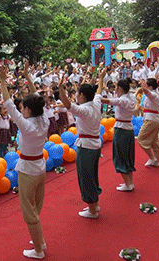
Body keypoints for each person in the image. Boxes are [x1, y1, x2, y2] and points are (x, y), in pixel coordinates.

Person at [0, 63, 48, 260]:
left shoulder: (27, 125)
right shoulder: (43, 120)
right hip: (40, 167)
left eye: (23, 108)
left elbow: (8, 104)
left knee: (29, 212)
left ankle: (39, 250)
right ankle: (40, 241)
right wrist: (27, 76)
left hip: (28, 170)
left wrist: (3, 81)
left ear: (27, 109)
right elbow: (38, 100)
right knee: (36, 207)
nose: (21, 110)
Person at [58, 67, 104, 218]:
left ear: (83, 95)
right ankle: (94, 205)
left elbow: (68, 105)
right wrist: (101, 77)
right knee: (92, 175)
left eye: (78, 94)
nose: (76, 96)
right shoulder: (96, 103)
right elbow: (99, 91)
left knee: (86, 177)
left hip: (86, 147)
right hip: (95, 144)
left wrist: (60, 89)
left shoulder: (84, 109)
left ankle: (92, 209)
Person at [102, 79, 136, 191]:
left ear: (120, 88)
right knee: (127, 155)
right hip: (128, 129)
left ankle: (128, 183)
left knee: (121, 156)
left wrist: (97, 98)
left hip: (122, 129)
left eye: (117, 87)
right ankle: (129, 182)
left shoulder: (123, 100)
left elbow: (110, 101)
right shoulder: (130, 97)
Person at [137, 78, 159, 167]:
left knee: (140, 139)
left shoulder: (154, 95)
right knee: (154, 140)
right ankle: (156, 161)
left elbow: (148, 93)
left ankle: (152, 158)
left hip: (151, 120)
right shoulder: (152, 94)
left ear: (150, 87)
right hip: (152, 119)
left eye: (146, 84)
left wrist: (143, 87)